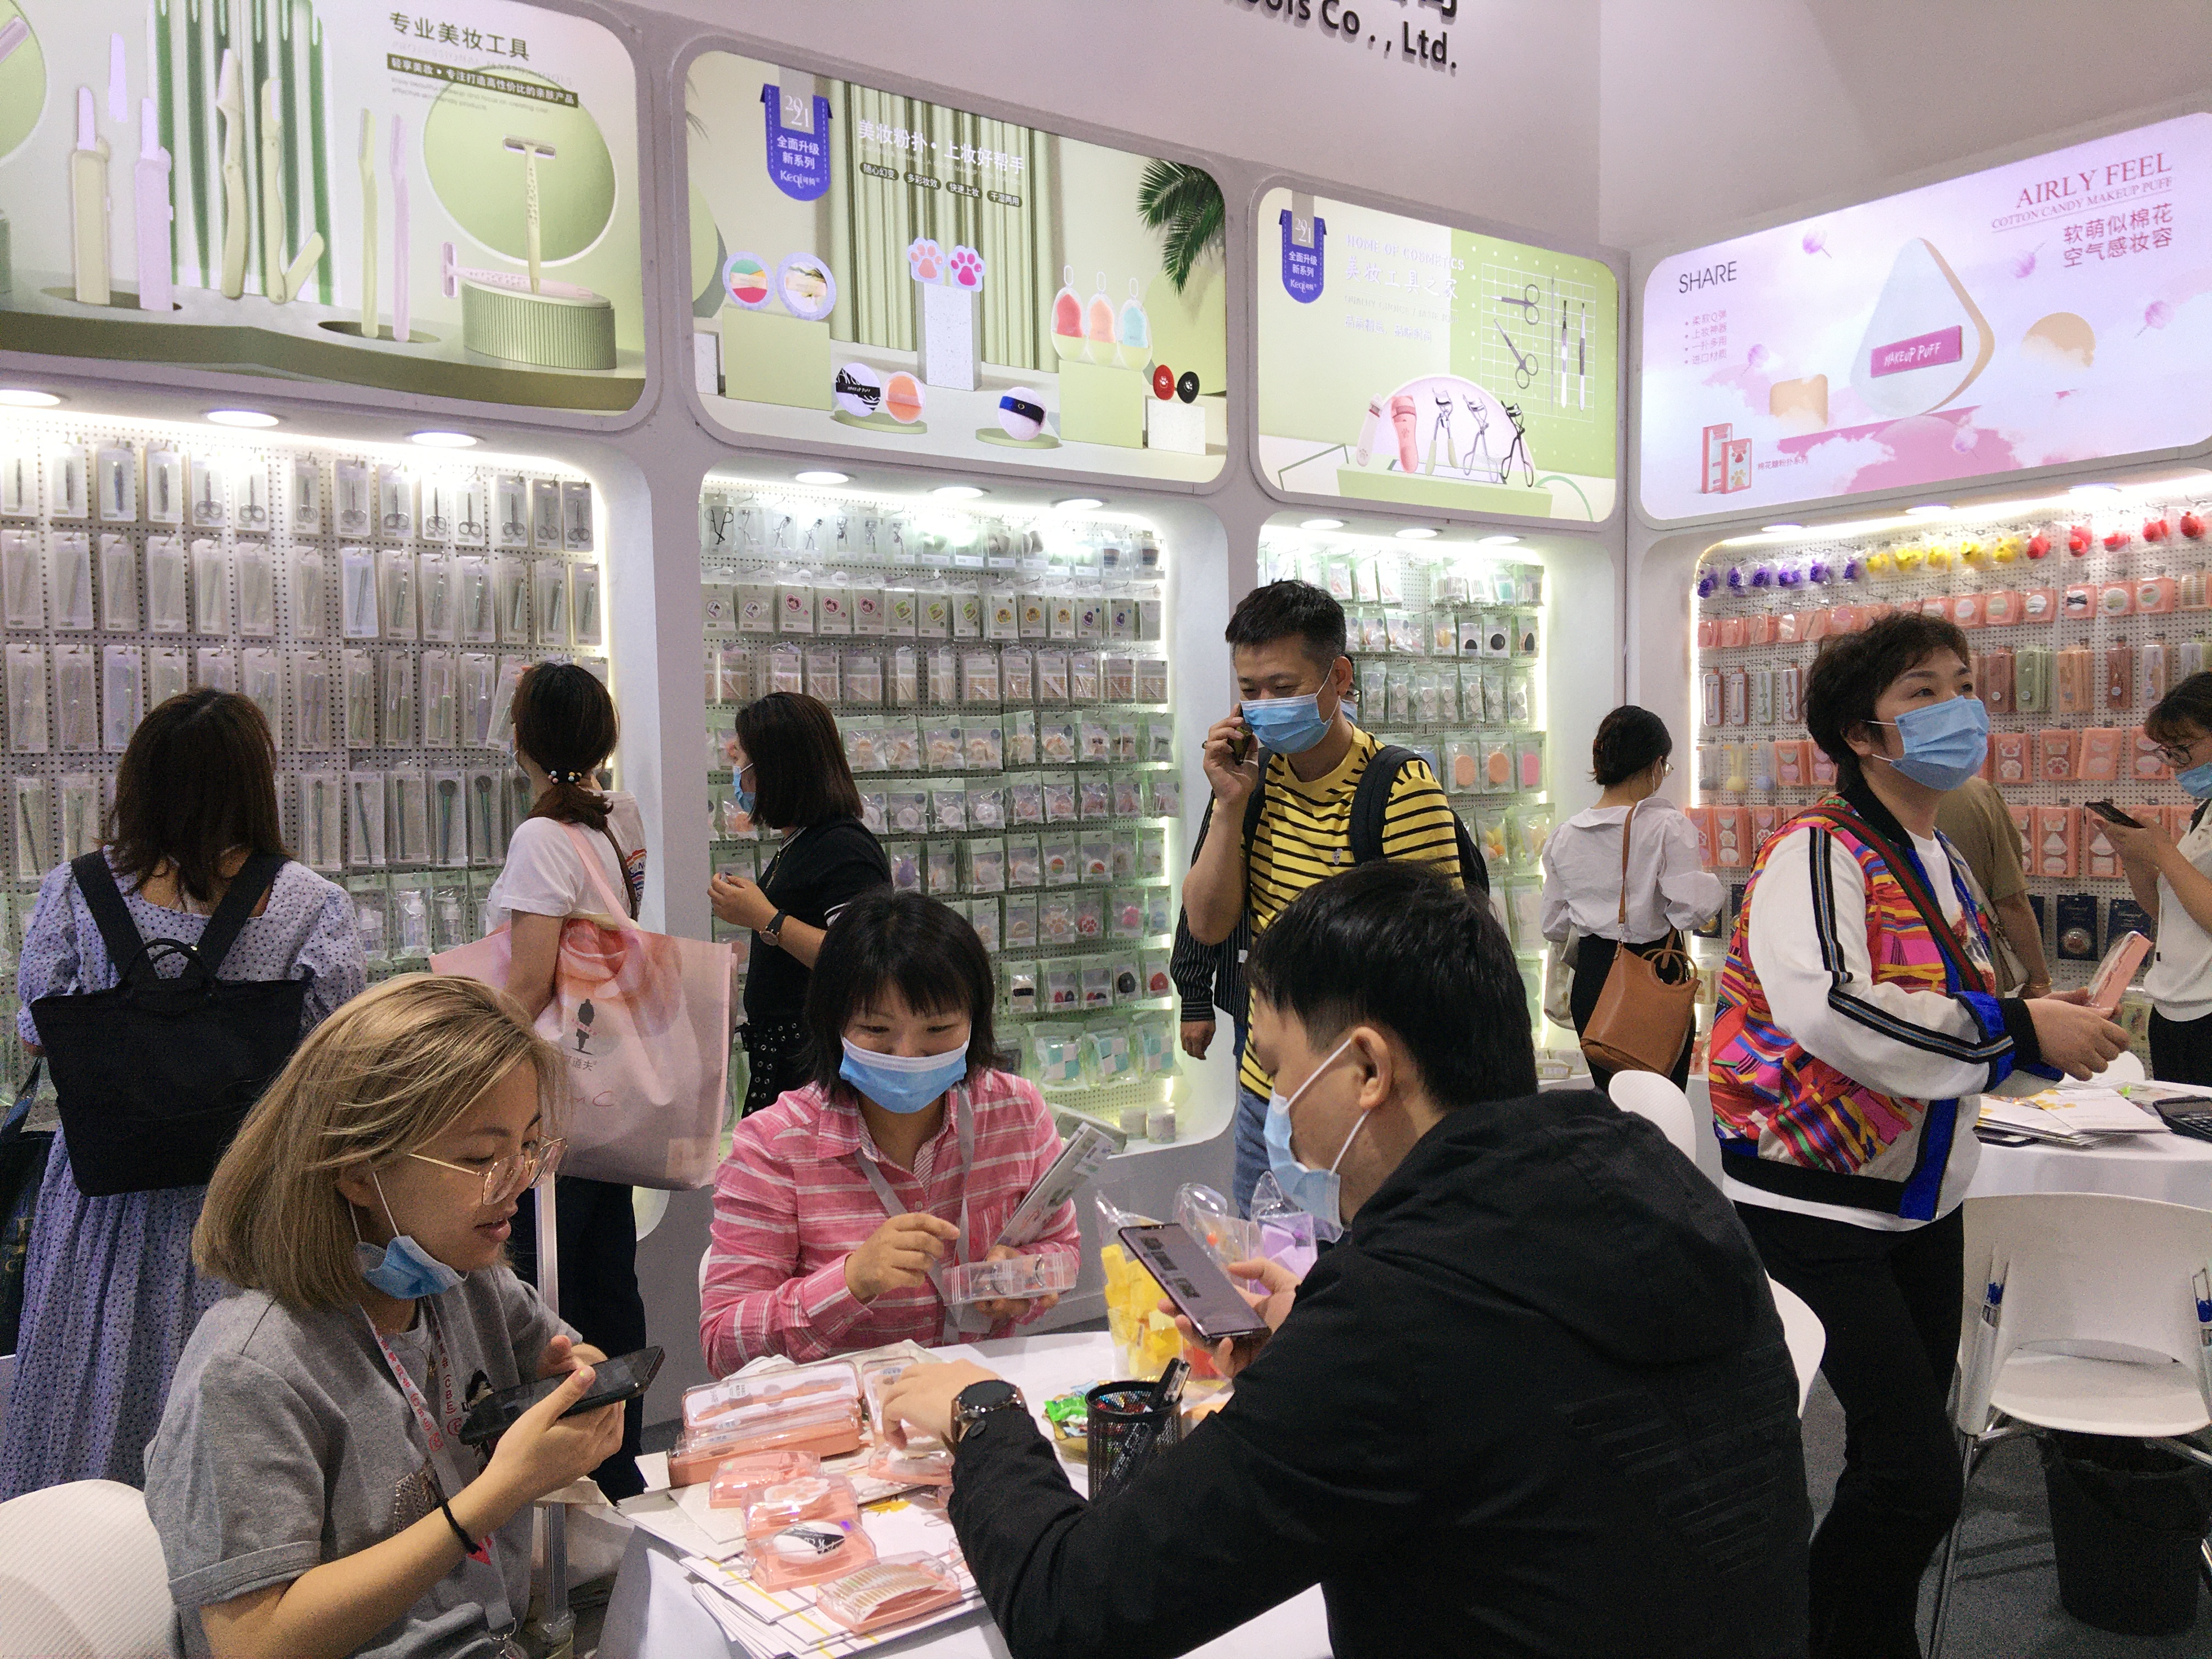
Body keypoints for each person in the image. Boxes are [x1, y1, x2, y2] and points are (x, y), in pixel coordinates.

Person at [878, 863, 1812, 1659]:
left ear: (1367, 1069)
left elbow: (1075, 1608)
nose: (1277, 1104)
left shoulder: (1396, 1321)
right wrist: (1314, 1340)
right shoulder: (1659, 1187)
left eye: (1279, 1066)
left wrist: (983, 1415)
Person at [1709, 611, 2128, 1658]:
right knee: (1914, 1473)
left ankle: (1866, 1636)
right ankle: (1817, 1633)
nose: (1957, 708)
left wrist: (2045, 1032)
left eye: (1962, 683)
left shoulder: (1938, 857)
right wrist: (2019, 1026)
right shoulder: (1816, 850)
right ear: (1862, 733)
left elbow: (1951, 1025)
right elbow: (1835, 1009)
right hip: (1813, 1200)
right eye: (1922, 692)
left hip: (1920, 1198)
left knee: (1896, 1459)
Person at [143, 975, 623, 1659]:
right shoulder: (248, 1370)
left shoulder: (467, 1282)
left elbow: (577, 1360)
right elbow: (254, 1642)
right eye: (480, 1158)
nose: (519, 1180)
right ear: (359, 1171)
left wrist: (580, 1384)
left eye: (529, 1146)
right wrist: (498, 1492)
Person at [0, 690, 364, 1501]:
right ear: (255, 782)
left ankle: (83, 1563)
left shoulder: (77, 891)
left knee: (88, 1401)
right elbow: (333, 1059)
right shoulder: (310, 904)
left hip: (104, 1209)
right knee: (242, 1412)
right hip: (249, 1210)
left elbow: (37, 1033)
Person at [699, 890, 1076, 1372]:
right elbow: (722, 1344)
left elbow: (1062, 1248)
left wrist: (1027, 1276)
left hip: (980, 1390)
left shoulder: (1016, 1110)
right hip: (846, 1406)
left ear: (975, 1021)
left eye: (938, 1030)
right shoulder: (774, 1146)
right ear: (833, 1025)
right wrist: (851, 1280)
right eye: (877, 1031)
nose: (907, 1056)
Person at [1181, 580, 1463, 1215]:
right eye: (1250, 690)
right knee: (1264, 1262)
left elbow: (1433, 964)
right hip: (1264, 1093)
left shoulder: (1398, 789)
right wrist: (1228, 804)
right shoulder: (1250, 783)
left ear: (1338, 677)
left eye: (1283, 687)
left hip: (1361, 1107)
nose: (1263, 706)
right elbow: (1207, 924)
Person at [482, 661, 650, 1499]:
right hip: (607, 1093)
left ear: (523, 738)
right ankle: (617, 1473)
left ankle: (562, 1492)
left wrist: (467, 1059)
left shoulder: (542, 839)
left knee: (548, 1296)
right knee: (608, 1283)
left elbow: (528, 983)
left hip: (551, 1101)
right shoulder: (621, 817)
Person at [708, 691, 890, 1116]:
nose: (737, 774)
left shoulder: (843, 847)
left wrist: (766, 918)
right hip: (787, 1063)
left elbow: (863, 960)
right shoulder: (801, 842)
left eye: (744, 761)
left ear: (776, 770)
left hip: (815, 1068)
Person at [1539, 704, 1723, 1090]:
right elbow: (1692, 910)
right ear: (1654, 765)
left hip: (1592, 980)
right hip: (1652, 976)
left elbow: (1553, 926)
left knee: (1612, 1103)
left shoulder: (1564, 836)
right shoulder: (1665, 827)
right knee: (1660, 1106)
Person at [2101, 671, 2212, 1083]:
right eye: (2169, 752)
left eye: (2183, 749)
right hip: (2174, 1006)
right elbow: (2166, 912)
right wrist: (2135, 857)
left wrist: (2164, 851)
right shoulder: (2206, 810)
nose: (2177, 765)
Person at [1934, 775, 2051, 997]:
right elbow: (2011, 901)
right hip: (1973, 974)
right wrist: (2039, 981)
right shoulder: (1974, 793)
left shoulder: (1865, 801)